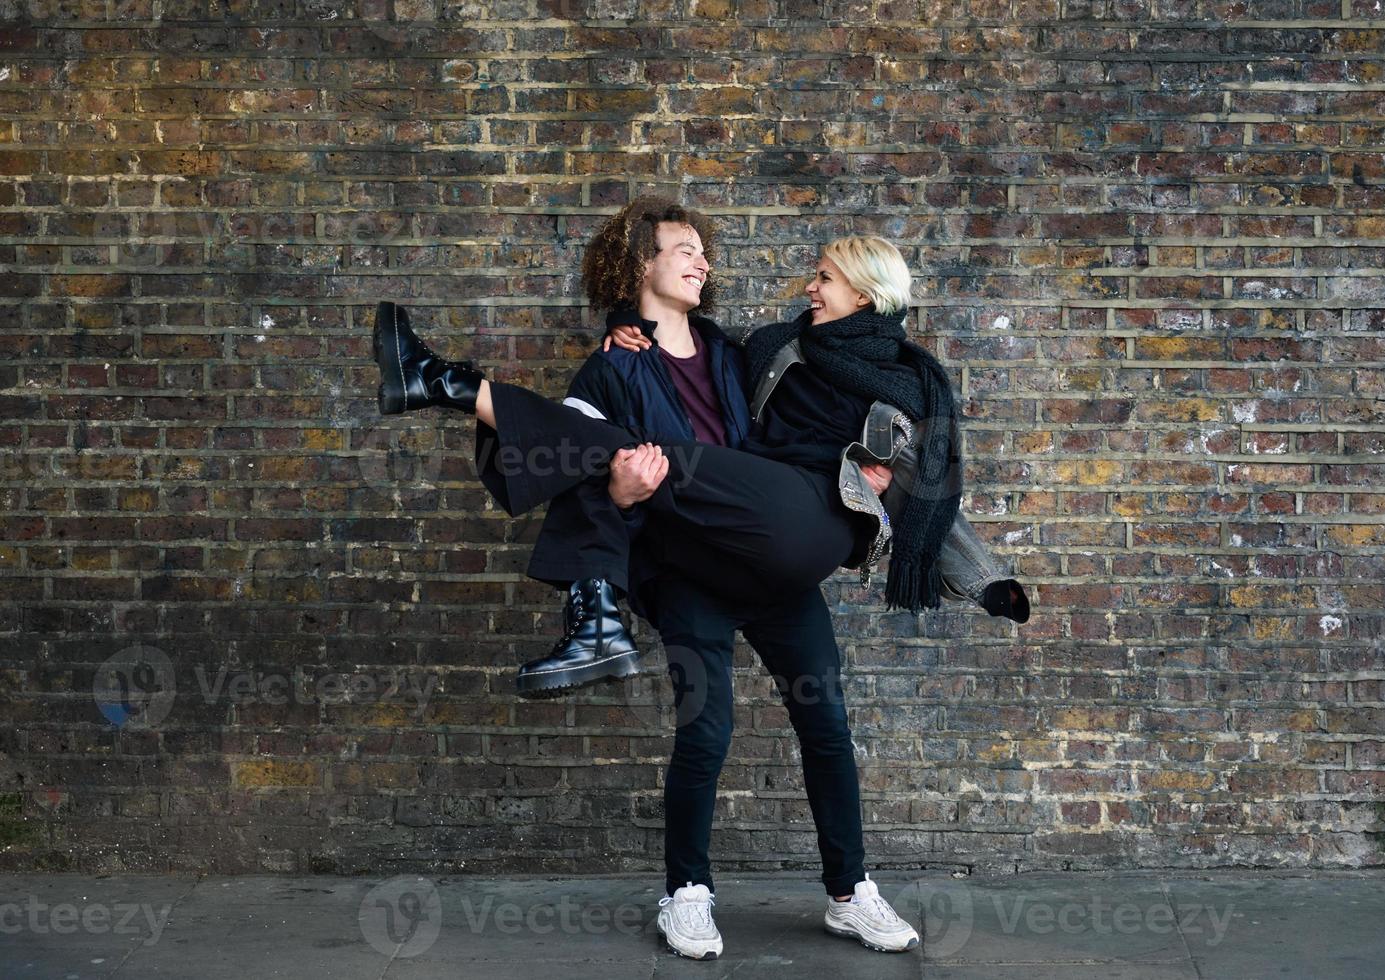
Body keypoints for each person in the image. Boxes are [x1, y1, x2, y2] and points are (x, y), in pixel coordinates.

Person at [370, 214, 1026, 958]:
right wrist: (619, 492)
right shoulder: (609, 368)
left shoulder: (738, 351)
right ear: (635, 269)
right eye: (684, 251)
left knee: (826, 724)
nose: (703, 262)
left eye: (703, 252)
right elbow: (586, 483)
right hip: (688, 568)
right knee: (704, 729)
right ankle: (686, 892)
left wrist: (974, 573)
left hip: (769, 550)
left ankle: (851, 893)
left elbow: (904, 471)